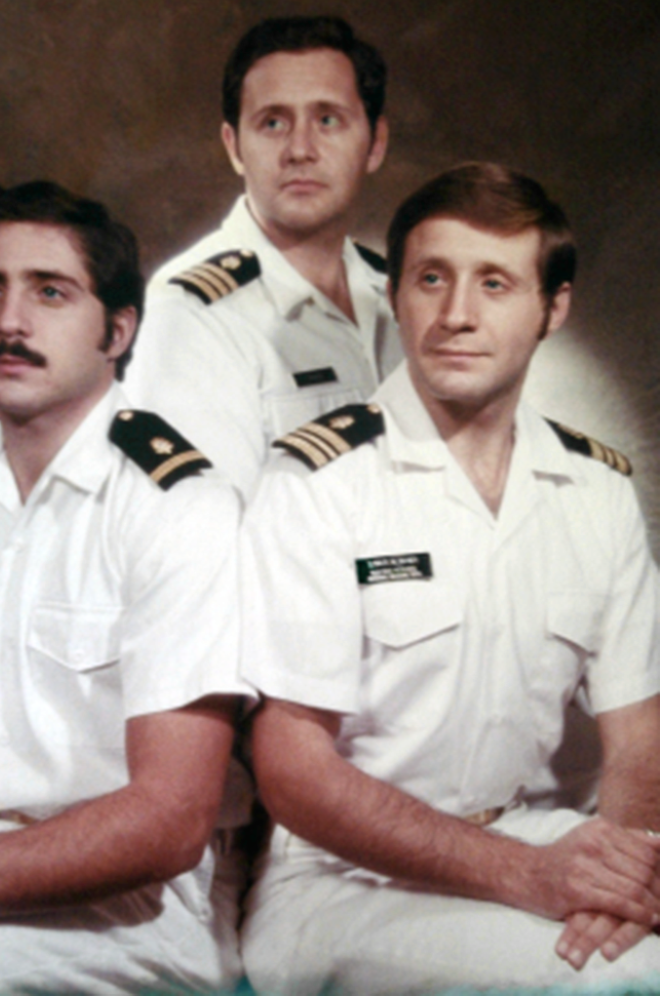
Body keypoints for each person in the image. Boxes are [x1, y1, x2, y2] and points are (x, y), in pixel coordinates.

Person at [239, 162, 660, 994]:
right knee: (612, 981)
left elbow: (639, 739)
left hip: (530, 834)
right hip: (340, 882)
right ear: (396, 296)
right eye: (433, 278)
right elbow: (292, 768)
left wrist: (623, 879)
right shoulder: (318, 483)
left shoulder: (598, 491)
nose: (457, 315)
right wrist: (531, 879)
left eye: (495, 283)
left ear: (553, 308)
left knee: (628, 950)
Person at [0, 181, 252, 994]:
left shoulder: (178, 507)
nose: (10, 321)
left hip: (140, 901)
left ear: (117, 331)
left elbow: (169, 822)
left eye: (50, 292)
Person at [125, 16, 403, 500]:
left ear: (375, 144)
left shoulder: (400, 295)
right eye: (272, 122)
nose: (300, 150)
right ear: (235, 147)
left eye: (328, 120)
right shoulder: (193, 314)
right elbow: (207, 539)